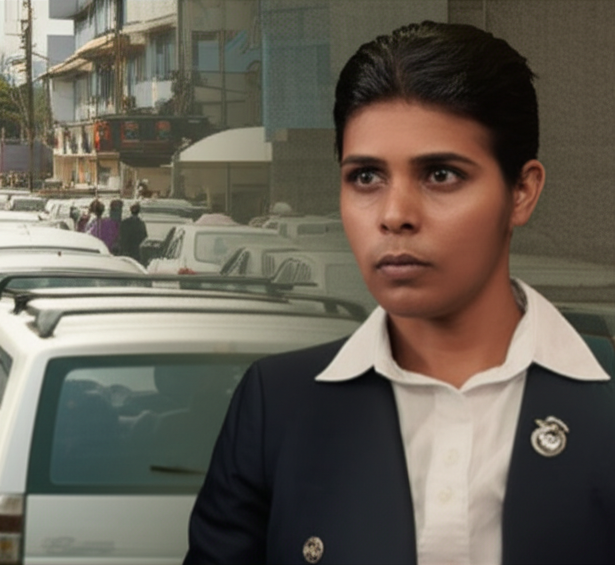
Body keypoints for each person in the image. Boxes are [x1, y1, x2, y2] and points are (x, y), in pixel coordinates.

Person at [186, 21, 615, 565]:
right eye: (366, 177)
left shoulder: (603, 404)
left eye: (440, 174)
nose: (395, 215)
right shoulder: (278, 407)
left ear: (522, 191)